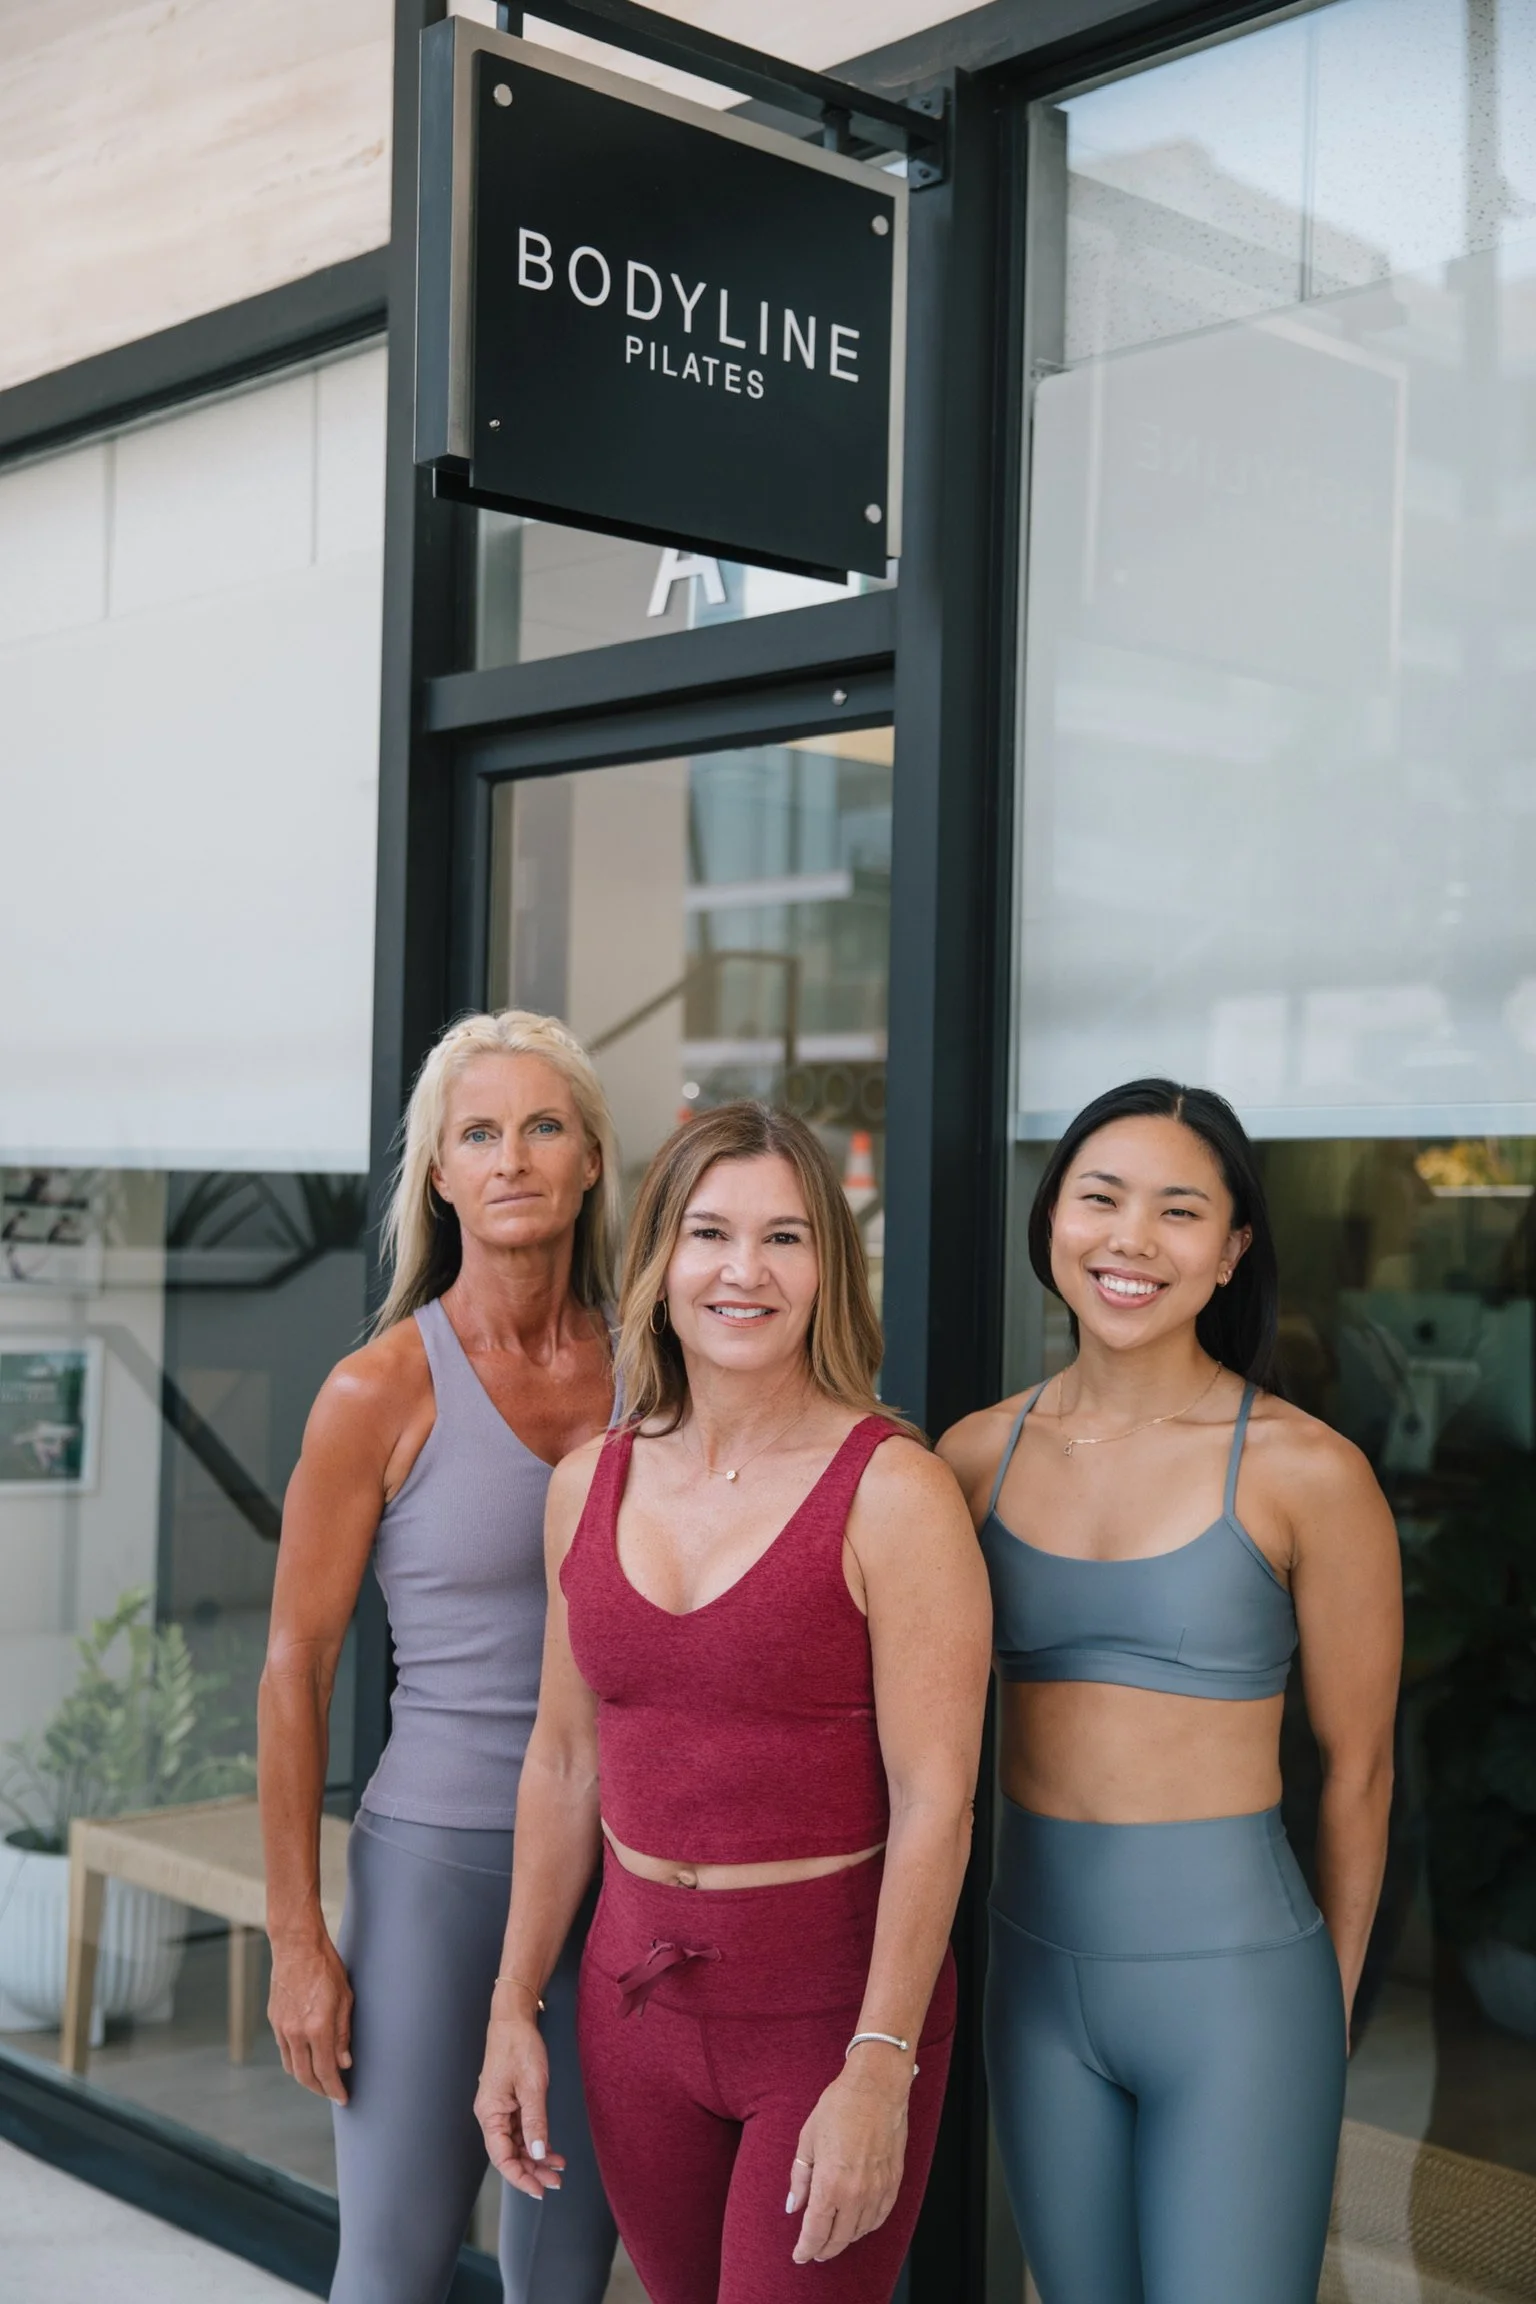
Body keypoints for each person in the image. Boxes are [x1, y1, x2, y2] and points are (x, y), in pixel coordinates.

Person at [473, 1101, 992, 2304]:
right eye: (710, 1233)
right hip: (631, 2004)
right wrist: (514, 2004)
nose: (744, 1272)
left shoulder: (895, 1492)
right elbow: (562, 1763)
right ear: (658, 1262)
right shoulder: (585, 1482)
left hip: (826, 2015)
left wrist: (880, 2068)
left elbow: (936, 1801)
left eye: (787, 1238)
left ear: (829, 1269)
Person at [941, 1079, 1402, 2304]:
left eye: (1178, 1211)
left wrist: (1326, 2012)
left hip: (1241, 1998)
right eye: (1100, 1198)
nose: (1130, 1240)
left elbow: (1360, 1770)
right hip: (1031, 1984)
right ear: (1054, 1221)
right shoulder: (970, 1460)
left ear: (1231, 1248)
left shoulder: (1309, 1471)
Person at [258, 1011, 621, 2304]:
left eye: (543, 1127)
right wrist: (298, 1938)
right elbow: (296, 1665)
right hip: (435, 1870)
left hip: (619, 1875)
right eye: (479, 1133)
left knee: (565, 2275)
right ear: (441, 1176)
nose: (513, 1156)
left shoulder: (663, 1375)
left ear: (589, 1159)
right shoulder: (377, 1393)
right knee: (397, 2269)